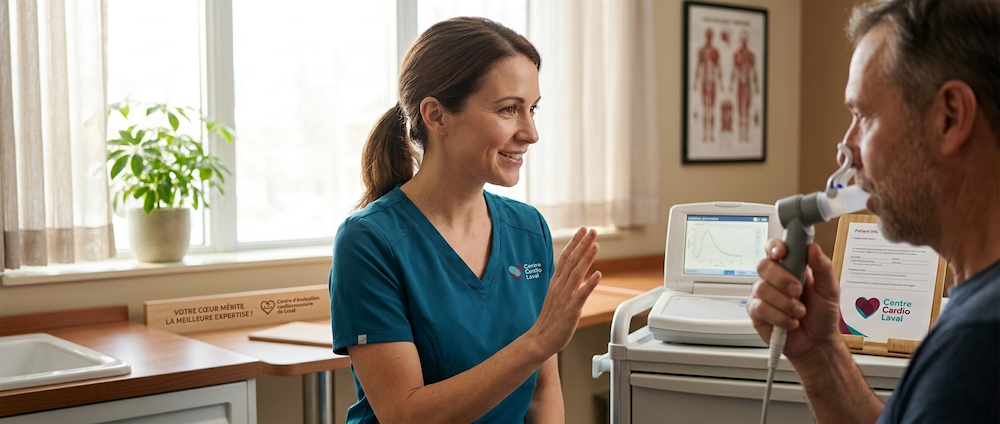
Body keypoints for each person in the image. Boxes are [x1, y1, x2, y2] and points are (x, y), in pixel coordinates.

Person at [328, 17, 602, 424]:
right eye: (509, 109)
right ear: (437, 117)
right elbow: (404, 415)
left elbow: (543, 394)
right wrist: (537, 342)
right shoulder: (369, 242)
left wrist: (539, 347)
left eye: (533, 109)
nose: (530, 132)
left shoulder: (529, 230)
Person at [746, 0, 999, 423]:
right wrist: (819, 354)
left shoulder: (979, 345)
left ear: (951, 117)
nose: (850, 149)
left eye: (864, 116)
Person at [693, 27, 723, 142]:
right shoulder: (702, 50)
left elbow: (718, 67)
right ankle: (705, 134)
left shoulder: (715, 51)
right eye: (707, 34)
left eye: (711, 34)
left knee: (712, 108)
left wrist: (721, 82)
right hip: (704, 81)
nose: (709, 36)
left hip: (713, 81)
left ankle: (712, 134)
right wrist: (695, 82)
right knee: (705, 108)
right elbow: (698, 66)